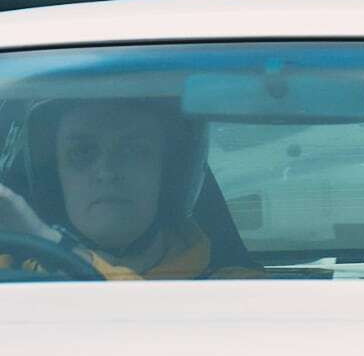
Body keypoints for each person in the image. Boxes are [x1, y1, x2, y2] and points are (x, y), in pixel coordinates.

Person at [0, 97, 254, 279]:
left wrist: (53, 245)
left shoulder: (239, 291)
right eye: (82, 152)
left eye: (134, 151)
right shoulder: (10, 273)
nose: (107, 172)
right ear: (54, 177)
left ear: (167, 175)